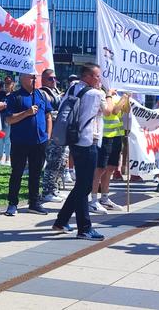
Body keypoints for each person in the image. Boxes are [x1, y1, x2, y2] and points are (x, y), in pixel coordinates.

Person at [53, 63, 107, 240]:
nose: (100, 79)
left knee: (81, 185)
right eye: (98, 76)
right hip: (88, 142)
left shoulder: (72, 89)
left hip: (74, 140)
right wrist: (112, 95)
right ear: (88, 77)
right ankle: (84, 228)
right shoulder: (95, 94)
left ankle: (61, 220)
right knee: (84, 187)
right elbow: (109, 111)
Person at [3, 73, 52, 216]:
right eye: (31, 77)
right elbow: (9, 120)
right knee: (17, 173)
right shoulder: (14, 97)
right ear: (23, 79)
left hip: (39, 142)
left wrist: (47, 135)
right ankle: (12, 204)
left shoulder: (41, 95)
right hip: (20, 142)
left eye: (35, 77)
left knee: (36, 173)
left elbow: (48, 115)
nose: (34, 79)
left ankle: (34, 203)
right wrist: (27, 113)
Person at [89, 88, 127, 214]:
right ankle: (93, 200)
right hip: (104, 136)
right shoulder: (103, 95)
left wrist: (126, 98)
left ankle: (104, 198)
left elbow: (126, 111)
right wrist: (122, 97)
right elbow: (113, 111)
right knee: (100, 169)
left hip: (117, 134)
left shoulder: (117, 96)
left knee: (110, 168)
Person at [40, 69, 68, 203]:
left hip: (61, 132)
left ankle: (53, 188)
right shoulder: (42, 93)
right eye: (50, 78)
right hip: (52, 133)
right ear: (43, 79)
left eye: (54, 78)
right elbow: (47, 114)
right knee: (52, 163)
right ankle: (47, 191)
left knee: (60, 163)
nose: (53, 81)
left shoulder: (56, 92)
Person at [0, 76, 14, 165]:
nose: (7, 85)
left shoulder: (14, 95)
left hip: (9, 118)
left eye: (9, 83)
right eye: (6, 83)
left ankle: (7, 158)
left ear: (12, 84)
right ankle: (0, 158)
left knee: (7, 139)